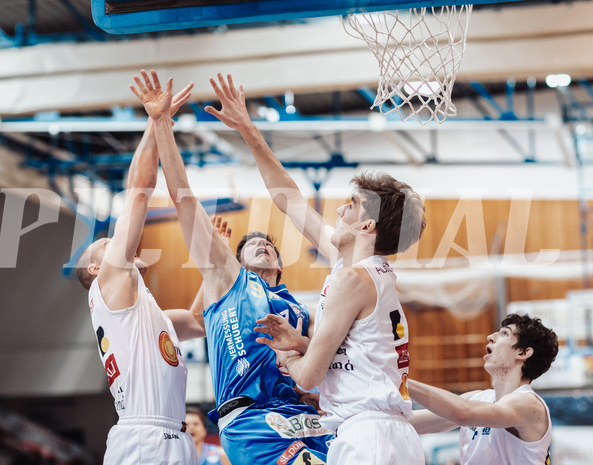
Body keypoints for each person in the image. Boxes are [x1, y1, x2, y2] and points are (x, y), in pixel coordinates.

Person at [204, 73, 427, 465]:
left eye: (351, 205)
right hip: (383, 432)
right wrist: (248, 130)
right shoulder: (365, 271)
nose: (339, 209)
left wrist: (287, 354)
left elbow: (307, 378)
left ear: (367, 226)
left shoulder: (354, 279)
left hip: (368, 435)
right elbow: (289, 200)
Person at [130, 70, 332, 465]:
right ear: (233, 262)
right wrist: (161, 125)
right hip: (253, 420)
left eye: (268, 244)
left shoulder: (302, 311)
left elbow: (324, 369)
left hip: (306, 417)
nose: (261, 243)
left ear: (279, 264)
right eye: (249, 245)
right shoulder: (230, 282)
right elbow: (183, 199)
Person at [74, 77, 206, 465]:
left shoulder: (146, 314)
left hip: (172, 437)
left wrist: (212, 257)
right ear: (97, 268)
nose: (115, 244)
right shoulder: (109, 282)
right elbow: (139, 189)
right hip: (143, 437)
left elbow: (199, 320)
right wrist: (155, 122)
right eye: (106, 245)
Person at [407, 313, 559, 465]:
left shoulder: (529, 404)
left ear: (523, 352)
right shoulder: (478, 398)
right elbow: (412, 422)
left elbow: (462, 413)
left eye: (505, 333)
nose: (490, 336)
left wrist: (403, 381)